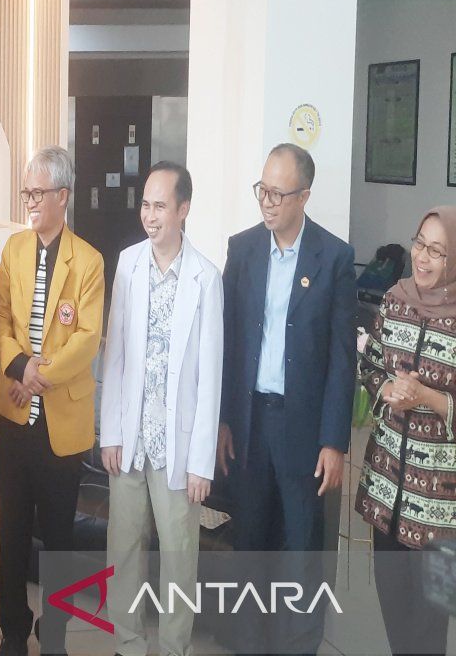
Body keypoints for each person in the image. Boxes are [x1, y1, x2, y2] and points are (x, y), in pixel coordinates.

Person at [218, 143, 355, 654]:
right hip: (250, 422)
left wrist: (334, 441)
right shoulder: (244, 249)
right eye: (262, 190)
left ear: (304, 196)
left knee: (301, 552)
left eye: (278, 193)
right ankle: (248, 643)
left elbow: (342, 358)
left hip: (302, 430)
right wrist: (223, 420)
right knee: (250, 544)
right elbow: (229, 343)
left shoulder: (334, 258)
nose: (267, 202)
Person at [99, 163, 223, 656]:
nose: (149, 216)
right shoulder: (128, 264)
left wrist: (201, 463)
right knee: (123, 550)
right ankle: (127, 645)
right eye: (145, 205)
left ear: (183, 210)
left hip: (178, 448)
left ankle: (174, 648)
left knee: (178, 559)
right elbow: (114, 355)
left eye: (160, 206)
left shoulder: (205, 278)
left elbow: (210, 376)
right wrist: (110, 432)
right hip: (130, 439)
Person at [0, 146, 104, 656]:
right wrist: (20, 366)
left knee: (58, 538)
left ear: (63, 196)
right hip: (15, 414)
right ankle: (14, 630)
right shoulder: (13, 250)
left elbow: (87, 338)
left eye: (38, 193)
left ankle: (54, 634)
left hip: (61, 420)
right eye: (26, 193)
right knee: (12, 532)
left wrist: (40, 375)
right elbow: (0, 321)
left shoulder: (89, 261)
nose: (30, 202)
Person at [355, 207, 456, 655]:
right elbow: (371, 364)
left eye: (437, 251)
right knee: (394, 611)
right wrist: (388, 389)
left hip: (441, 511)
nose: (423, 257)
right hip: (387, 493)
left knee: (430, 628)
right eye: (419, 244)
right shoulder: (395, 299)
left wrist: (426, 397)